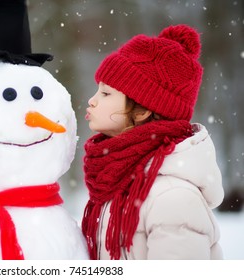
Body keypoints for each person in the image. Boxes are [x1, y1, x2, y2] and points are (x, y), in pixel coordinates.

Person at [82, 24, 224, 260]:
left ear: (142, 111)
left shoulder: (172, 196)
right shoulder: (115, 181)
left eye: (106, 93)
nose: (92, 100)